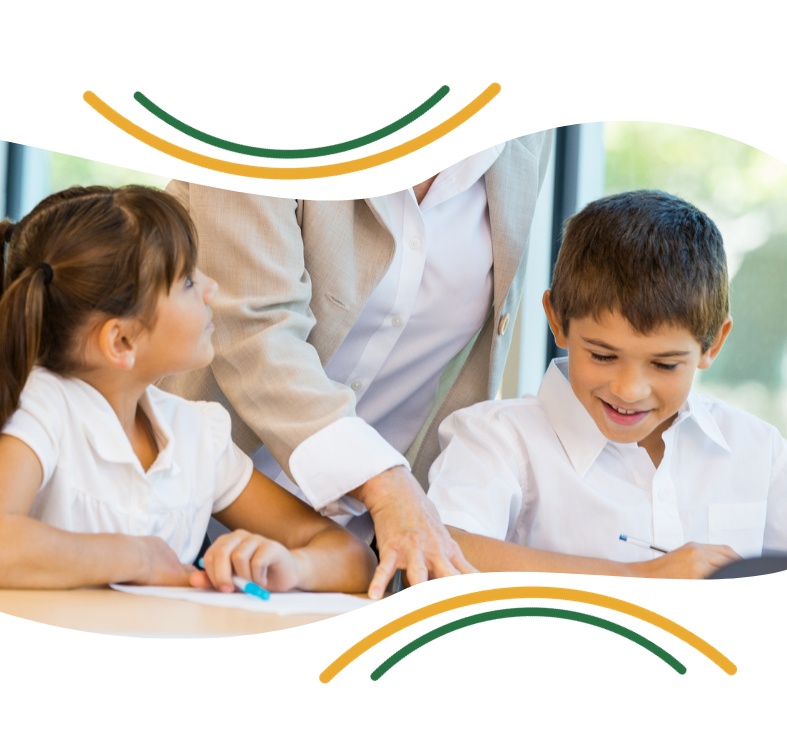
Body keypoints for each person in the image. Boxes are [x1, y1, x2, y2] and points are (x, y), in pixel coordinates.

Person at [0, 185, 376, 594]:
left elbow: (354, 559)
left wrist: (292, 566)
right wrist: (139, 559)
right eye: (187, 280)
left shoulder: (196, 433)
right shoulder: (44, 407)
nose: (211, 287)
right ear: (121, 340)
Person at [158, 134, 554, 598]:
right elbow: (253, 327)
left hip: (364, 548)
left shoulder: (526, 144)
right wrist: (383, 482)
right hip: (192, 505)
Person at [425, 190, 787, 579]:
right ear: (557, 320)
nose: (629, 389)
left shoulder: (756, 452)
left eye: (665, 364)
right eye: (602, 355)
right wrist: (637, 575)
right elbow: (440, 553)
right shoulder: (498, 437)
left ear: (713, 344)